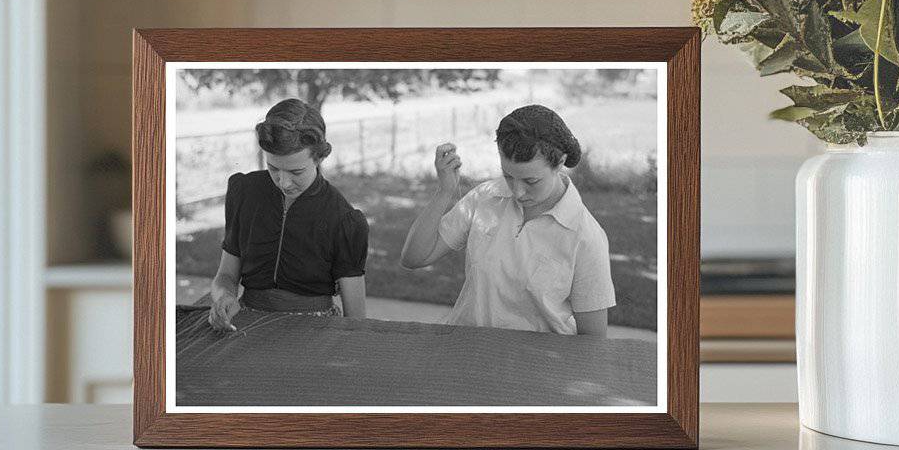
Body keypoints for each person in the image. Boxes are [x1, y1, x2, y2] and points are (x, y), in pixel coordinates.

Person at [400, 104, 615, 336]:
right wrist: (445, 191)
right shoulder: (485, 198)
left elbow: (593, 341)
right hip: (466, 346)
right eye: (508, 176)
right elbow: (414, 258)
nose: (518, 192)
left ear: (560, 162)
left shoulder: (584, 236)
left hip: (536, 361)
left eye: (531, 181)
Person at [208, 98, 369, 331]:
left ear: (320, 157)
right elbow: (225, 276)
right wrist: (224, 297)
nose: (283, 182)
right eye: (273, 168)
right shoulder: (244, 192)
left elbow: (355, 320)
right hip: (247, 322)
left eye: (296, 171)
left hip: (314, 330)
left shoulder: (343, 219)